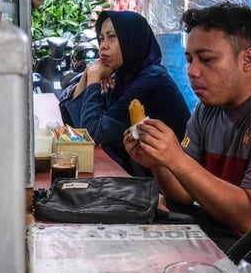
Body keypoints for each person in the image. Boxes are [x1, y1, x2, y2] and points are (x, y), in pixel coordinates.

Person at [124, 2, 251, 251]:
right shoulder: (207, 109)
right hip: (226, 235)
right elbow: (182, 193)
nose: (192, 71)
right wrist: (158, 161)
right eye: (189, 60)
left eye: (207, 59)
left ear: (247, 59)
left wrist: (177, 160)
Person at [59, 10, 189, 177]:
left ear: (132, 40)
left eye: (112, 37)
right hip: (134, 175)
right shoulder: (121, 76)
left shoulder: (151, 80)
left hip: (171, 186)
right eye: (101, 38)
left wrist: (93, 80)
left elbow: (94, 134)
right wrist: (87, 75)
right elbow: (76, 128)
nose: (104, 45)